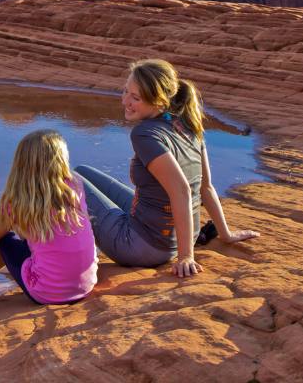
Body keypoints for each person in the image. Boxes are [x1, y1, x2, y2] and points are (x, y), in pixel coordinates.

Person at [75, 59, 259, 278]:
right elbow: (206, 187)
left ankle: (53, 256)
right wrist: (225, 234)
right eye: (125, 92)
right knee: (81, 171)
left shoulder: (145, 134)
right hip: (168, 234)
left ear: (160, 101)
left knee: (63, 179)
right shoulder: (188, 125)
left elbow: (181, 190)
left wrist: (185, 257)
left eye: (136, 98)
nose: (125, 101)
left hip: (142, 247)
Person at [0, 129, 98, 304]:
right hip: (84, 285)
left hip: (46, 292)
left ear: (21, 163)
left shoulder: (20, 199)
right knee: (11, 232)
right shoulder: (74, 185)